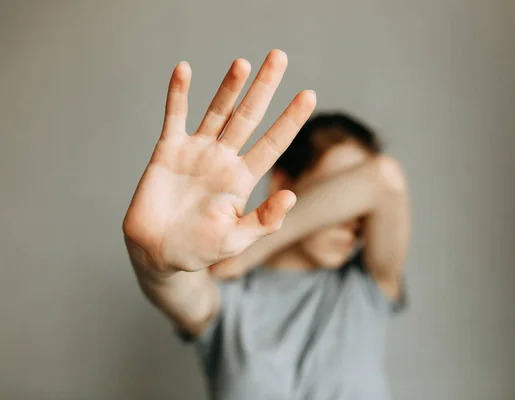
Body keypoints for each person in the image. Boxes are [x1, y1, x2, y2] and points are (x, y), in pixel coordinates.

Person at [123, 49, 410, 400]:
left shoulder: (366, 287)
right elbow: (177, 290)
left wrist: (258, 246)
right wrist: (154, 260)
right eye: (337, 189)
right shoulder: (230, 300)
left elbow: (386, 178)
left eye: (357, 198)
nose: (353, 219)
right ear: (281, 183)